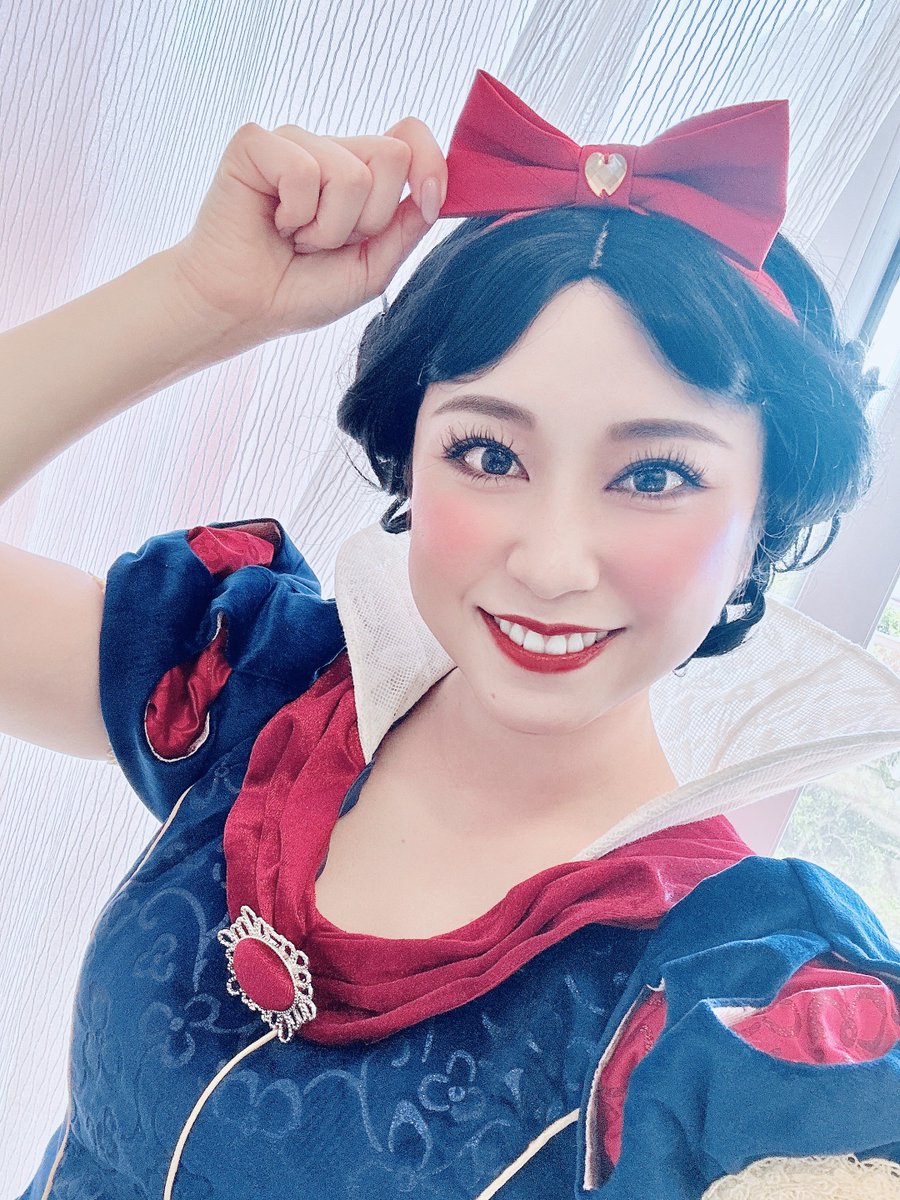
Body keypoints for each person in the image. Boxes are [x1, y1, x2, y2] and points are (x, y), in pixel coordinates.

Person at [3, 68, 900, 1199]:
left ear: (763, 516)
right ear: (411, 459)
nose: (552, 561)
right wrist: (202, 300)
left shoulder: (733, 1013)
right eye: (489, 453)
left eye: (655, 475)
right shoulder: (255, 688)